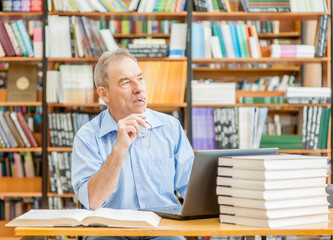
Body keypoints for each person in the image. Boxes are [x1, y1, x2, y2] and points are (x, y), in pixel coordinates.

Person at [71, 49, 194, 240]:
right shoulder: (87, 137)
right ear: (104, 94)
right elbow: (93, 201)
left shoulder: (170, 127)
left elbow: (193, 190)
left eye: (140, 79)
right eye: (126, 82)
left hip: (163, 229)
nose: (138, 88)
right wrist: (120, 148)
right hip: (109, 232)